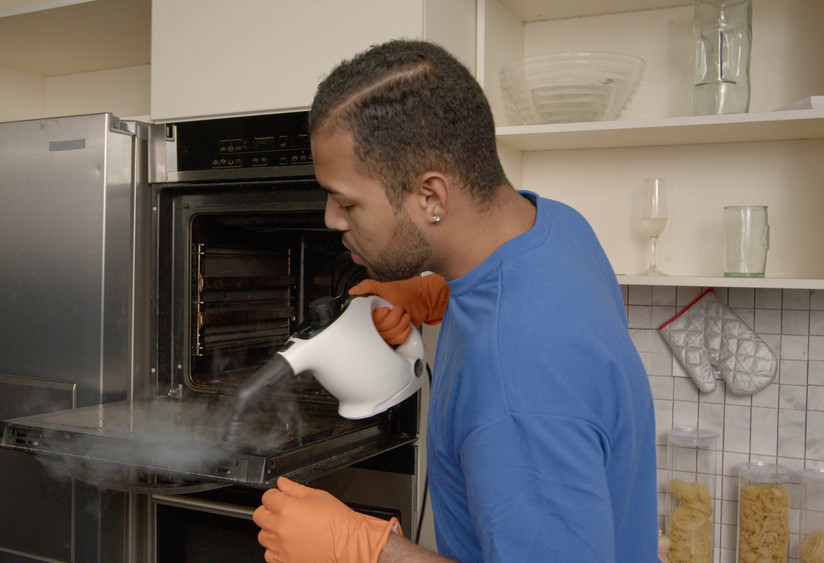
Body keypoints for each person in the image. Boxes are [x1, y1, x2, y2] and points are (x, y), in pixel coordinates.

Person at [252, 39, 658, 563]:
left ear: (432, 198)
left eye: (348, 201)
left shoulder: (517, 387)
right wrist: (441, 295)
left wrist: (368, 551)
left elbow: (528, 381)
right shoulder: (555, 224)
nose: (332, 218)